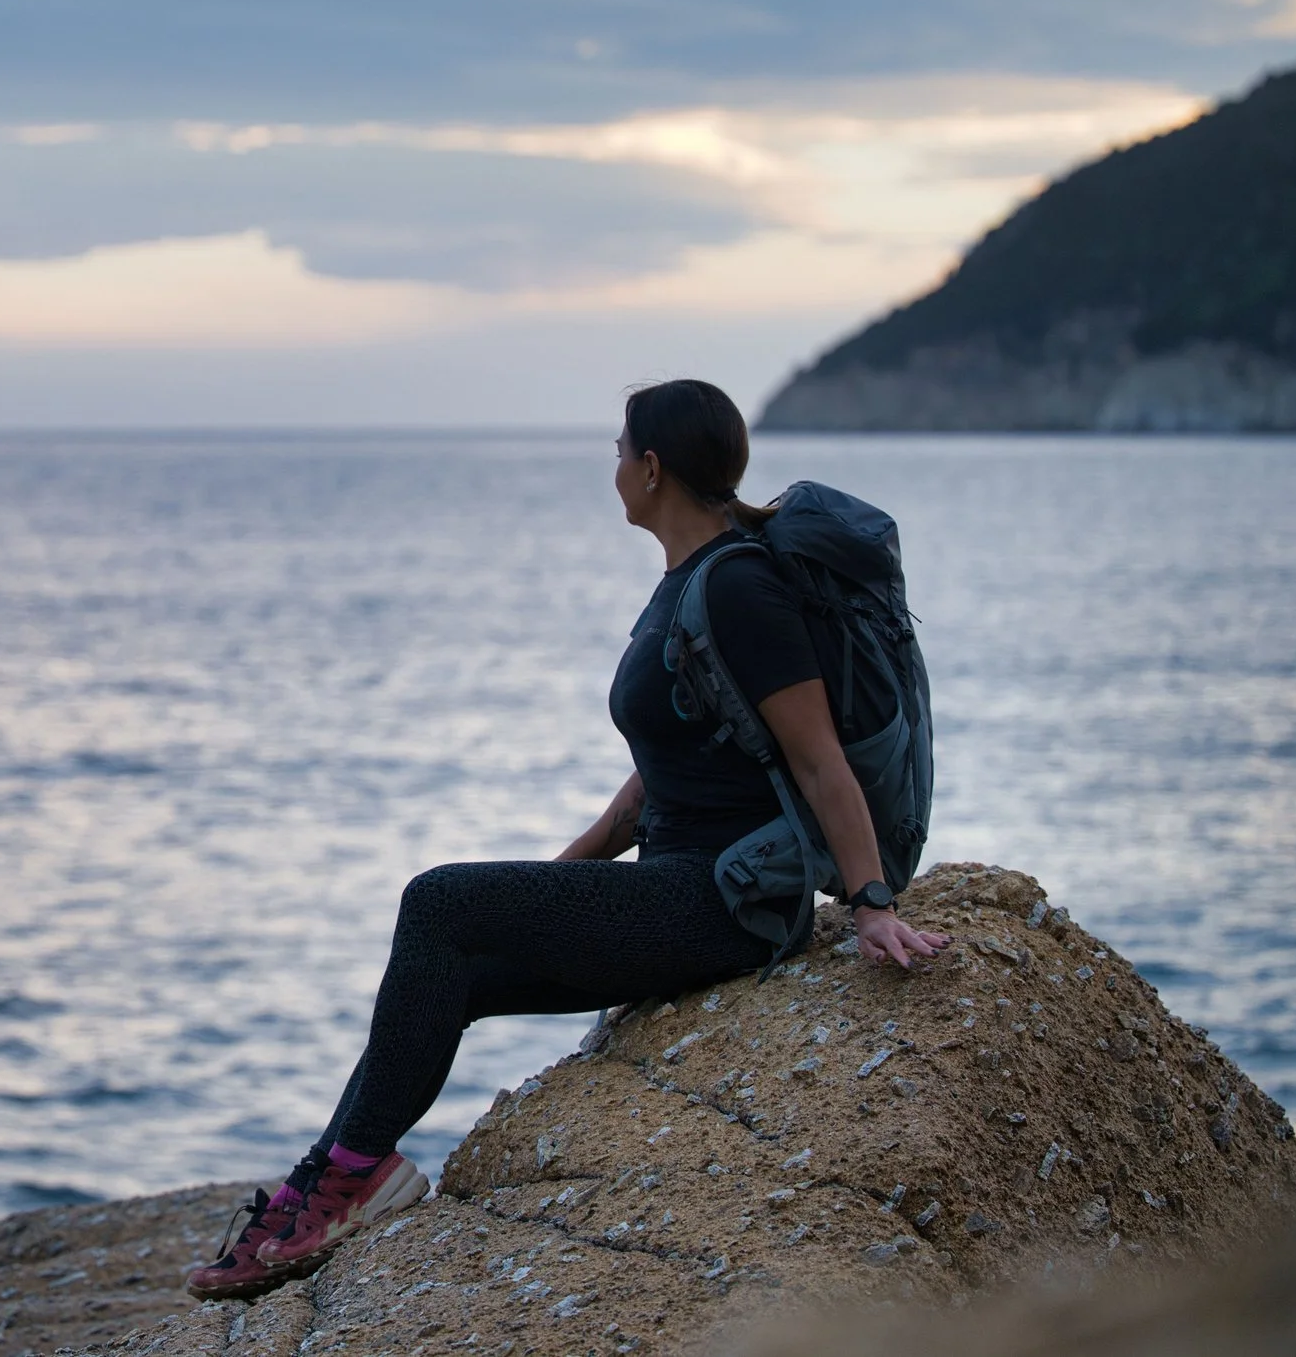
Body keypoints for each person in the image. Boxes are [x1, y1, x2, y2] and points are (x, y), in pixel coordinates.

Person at [184, 379, 950, 1302]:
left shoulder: (740, 583)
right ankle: (338, 1174)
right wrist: (552, 890)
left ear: (653, 467)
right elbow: (652, 787)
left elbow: (819, 755)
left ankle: (349, 1181)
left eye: (620, 450)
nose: (614, 466)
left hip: (726, 901)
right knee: (451, 960)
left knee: (436, 899)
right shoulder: (691, 583)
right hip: (674, 886)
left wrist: (871, 907)